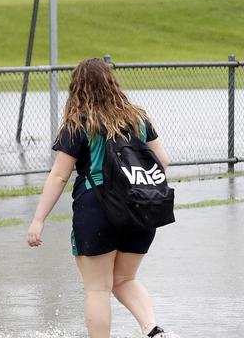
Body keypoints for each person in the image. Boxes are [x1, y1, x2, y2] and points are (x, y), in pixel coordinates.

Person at [26, 58, 177, 338]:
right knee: (125, 279)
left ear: (77, 89)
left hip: (97, 208)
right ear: (112, 83)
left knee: (97, 288)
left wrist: (38, 220)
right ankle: (153, 330)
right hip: (140, 208)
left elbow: (59, 176)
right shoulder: (138, 118)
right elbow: (163, 162)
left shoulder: (79, 123)